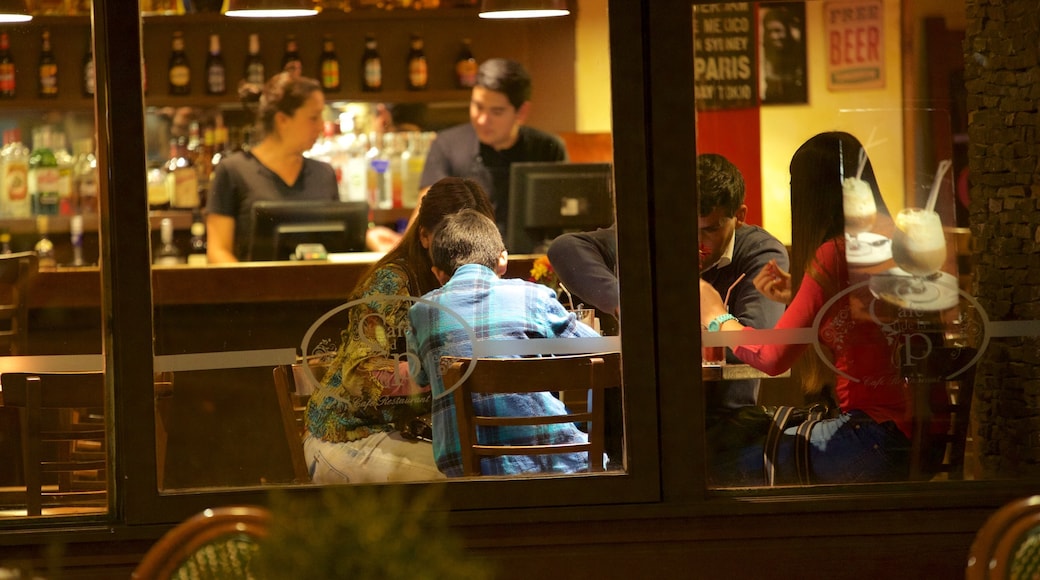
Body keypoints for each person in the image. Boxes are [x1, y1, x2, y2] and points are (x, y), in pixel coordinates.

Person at [699, 131, 912, 486]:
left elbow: (771, 358)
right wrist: (800, 295)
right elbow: (869, 323)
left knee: (715, 454)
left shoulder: (835, 252)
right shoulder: (893, 242)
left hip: (872, 440)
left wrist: (716, 316)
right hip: (916, 436)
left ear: (811, 193)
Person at [549, 153, 788, 408]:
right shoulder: (655, 234)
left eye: (710, 229)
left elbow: (756, 345)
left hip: (724, 417)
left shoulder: (762, 253)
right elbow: (565, 248)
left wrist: (675, 329)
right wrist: (629, 304)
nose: (695, 242)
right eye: (684, 226)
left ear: (739, 216)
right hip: (643, 415)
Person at [303, 177, 496, 484]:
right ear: (424, 236)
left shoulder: (481, 287)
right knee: (466, 479)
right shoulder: (392, 283)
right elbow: (358, 375)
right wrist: (439, 372)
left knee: (507, 469)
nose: (466, 250)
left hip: (418, 436)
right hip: (350, 436)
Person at [406, 209, 600, 477]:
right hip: (554, 463)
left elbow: (419, 377)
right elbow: (599, 350)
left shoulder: (420, 313)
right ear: (503, 260)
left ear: (438, 274)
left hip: (465, 469)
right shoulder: (533, 297)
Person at [419, 58, 568, 235]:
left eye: (496, 112)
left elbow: (565, 216)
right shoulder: (447, 145)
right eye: (478, 106)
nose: (482, 120)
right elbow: (428, 208)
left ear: (521, 112)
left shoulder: (548, 149)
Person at [206, 72, 338, 263]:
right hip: (253, 290)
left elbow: (340, 239)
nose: (321, 126)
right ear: (282, 120)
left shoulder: (324, 173)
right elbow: (217, 251)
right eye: (314, 117)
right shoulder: (232, 170)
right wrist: (252, 288)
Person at [760, 6, 807, 104]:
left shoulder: (799, 51)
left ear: (787, 30)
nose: (773, 36)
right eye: (769, 32)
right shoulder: (763, 52)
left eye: (778, 30)